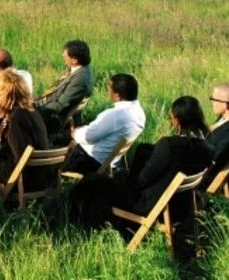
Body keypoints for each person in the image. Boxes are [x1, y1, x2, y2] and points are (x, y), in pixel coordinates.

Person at [71, 97, 214, 244]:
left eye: (172, 118)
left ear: (177, 121)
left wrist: (124, 179)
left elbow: (142, 180)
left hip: (148, 205)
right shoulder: (208, 149)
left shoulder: (169, 145)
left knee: (92, 180)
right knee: (140, 152)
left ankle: (77, 225)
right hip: (179, 209)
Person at [0, 69, 52, 194]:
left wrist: (2, 181)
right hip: (40, 174)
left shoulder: (17, 118)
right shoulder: (30, 110)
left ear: (3, 94)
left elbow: (20, 159)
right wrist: (1, 146)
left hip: (27, 179)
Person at [63, 74, 145, 175]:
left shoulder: (114, 115)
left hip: (91, 161)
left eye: (109, 88)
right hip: (110, 162)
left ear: (117, 95)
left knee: (57, 145)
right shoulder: (140, 113)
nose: (108, 91)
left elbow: (88, 138)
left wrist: (75, 133)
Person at [36, 39, 94, 135]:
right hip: (49, 104)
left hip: (53, 117)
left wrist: (36, 108)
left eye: (66, 54)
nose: (63, 55)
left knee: (17, 115)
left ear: (74, 60)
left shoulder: (80, 80)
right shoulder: (77, 68)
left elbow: (60, 105)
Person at [205, 84, 229, 185]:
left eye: (214, 99)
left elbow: (216, 157)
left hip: (203, 176)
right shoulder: (223, 119)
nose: (212, 102)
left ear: (226, 104)